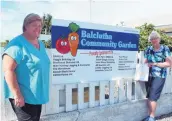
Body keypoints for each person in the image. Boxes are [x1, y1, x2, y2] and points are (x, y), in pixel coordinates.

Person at [2, 13, 50, 121]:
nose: (38, 28)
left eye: (40, 25)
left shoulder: (40, 44)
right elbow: (8, 71)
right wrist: (17, 95)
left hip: (37, 95)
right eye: (34, 25)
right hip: (24, 96)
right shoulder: (16, 45)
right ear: (25, 26)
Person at [143, 31, 171, 121]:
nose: (154, 40)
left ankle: (152, 117)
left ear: (159, 39)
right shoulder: (148, 49)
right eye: (152, 39)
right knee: (149, 96)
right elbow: (145, 61)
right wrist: (145, 64)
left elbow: (169, 63)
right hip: (148, 75)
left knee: (153, 97)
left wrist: (155, 63)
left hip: (159, 75)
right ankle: (149, 115)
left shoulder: (164, 49)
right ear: (150, 40)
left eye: (155, 38)